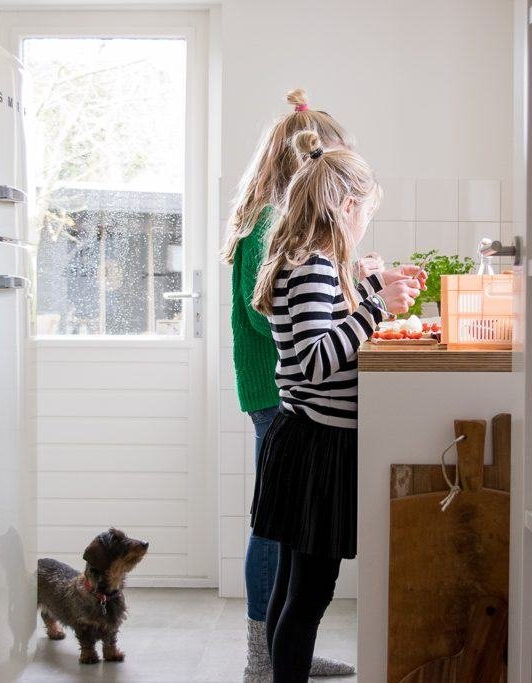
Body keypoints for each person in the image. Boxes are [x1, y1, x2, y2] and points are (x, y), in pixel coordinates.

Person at [250, 130, 424, 681]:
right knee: (308, 599)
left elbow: (315, 332)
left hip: (304, 440)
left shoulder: (309, 260)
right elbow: (316, 362)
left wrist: (370, 281)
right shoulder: (315, 266)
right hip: (317, 449)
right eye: (365, 212)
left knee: (291, 591)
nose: (363, 224)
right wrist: (375, 306)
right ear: (347, 205)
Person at [222, 88, 366, 680]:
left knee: (287, 537)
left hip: (282, 394)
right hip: (273, 395)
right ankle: (266, 655)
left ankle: (284, 651)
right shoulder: (272, 227)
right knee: (277, 531)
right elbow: (267, 315)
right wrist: (355, 307)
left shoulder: (288, 226)